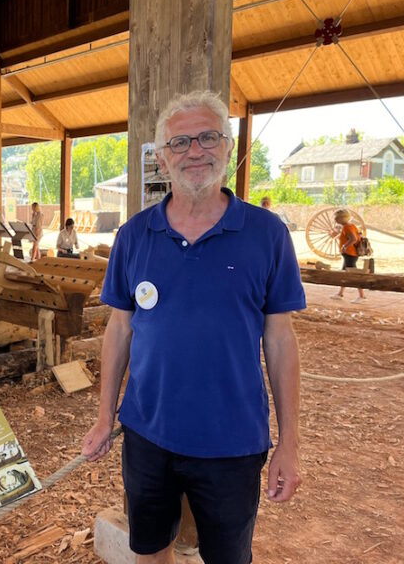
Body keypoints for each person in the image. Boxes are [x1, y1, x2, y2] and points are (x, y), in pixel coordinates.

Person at [81, 90, 306, 564]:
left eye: (207, 137)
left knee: (227, 556)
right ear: (162, 158)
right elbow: (119, 329)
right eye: (179, 143)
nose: (195, 151)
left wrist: (290, 442)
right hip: (147, 433)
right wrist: (105, 417)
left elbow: (281, 340)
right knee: (150, 550)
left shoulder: (267, 233)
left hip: (233, 440)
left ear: (228, 145)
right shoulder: (134, 235)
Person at [330, 208, 367, 303]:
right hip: (350, 254)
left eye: (336, 218)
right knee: (344, 273)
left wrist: (344, 246)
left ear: (342, 218)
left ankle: (362, 296)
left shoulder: (347, 227)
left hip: (350, 254)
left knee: (353, 275)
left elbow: (353, 239)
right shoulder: (351, 226)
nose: (335, 220)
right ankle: (340, 293)